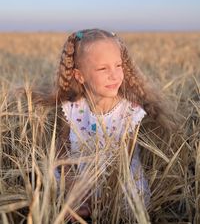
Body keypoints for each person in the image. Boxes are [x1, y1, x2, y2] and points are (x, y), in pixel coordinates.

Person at [25, 28, 178, 221]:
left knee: (132, 199)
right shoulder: (73, 109)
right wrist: (74, 186)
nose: (114, 75)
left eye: (118, 65)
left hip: (115, 177)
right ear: (80, 76)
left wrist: (101, 196)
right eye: (103, 68)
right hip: (76, 170)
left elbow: (124, 161)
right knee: (42, 181)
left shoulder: (130, 111)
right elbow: (62, 148)